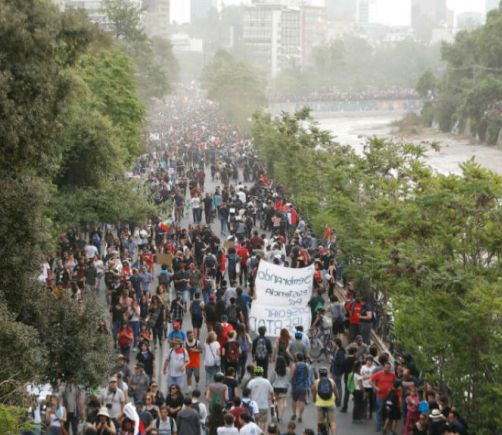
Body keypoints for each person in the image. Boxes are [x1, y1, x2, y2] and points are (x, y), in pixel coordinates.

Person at [312, 367, 338, 435]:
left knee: (320, 421)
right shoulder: (331, 381)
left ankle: (319, 433)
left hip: (320, 404)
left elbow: (314, 393)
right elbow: (336, 393)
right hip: (330, 403)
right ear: (327, 373)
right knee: (332, 421)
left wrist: (314, 400)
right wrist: (337, 399)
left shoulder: (316, 382)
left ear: (319, 374)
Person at [371, 361, 397, 433]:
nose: (387, 369)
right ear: (383, 367)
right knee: (379, 410)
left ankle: (386, 426)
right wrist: (375, 387)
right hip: (380, 395)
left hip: (389, 397)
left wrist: (393, 389)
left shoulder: (392, 375)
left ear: (390, 368)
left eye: (388, 368)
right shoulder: (379, 374)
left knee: (387, 411)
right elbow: (371, 380)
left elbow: (396, 383)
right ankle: (378, 426)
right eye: (386, 367)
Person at [247, 366, 274, 431]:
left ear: (255, 373)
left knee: (254, 422)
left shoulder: (251, 382)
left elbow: (247, 393)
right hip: (264, 405)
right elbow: (272, 392)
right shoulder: (267, 381)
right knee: (263, 422)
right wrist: (271, 399)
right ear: (262, 373)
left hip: (253, 406)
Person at [290, 353, 310, 424]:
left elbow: (292, 375)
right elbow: (308, 375)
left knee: (294, 400)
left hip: (295, 386)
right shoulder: (306, 365)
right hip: (303, 386)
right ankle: (300, 416)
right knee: (302, 401)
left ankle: (294, 414)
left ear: (297, 358)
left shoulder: (294, 365)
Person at [270, 356, 289, 422]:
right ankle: (280, 416)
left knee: (275, 401)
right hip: (284, 387)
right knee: (282, 402)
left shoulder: (274, 370)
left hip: (276, 387)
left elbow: (272, 379)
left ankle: (275, 414)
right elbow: (288, 378)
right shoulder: (287, 370)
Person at [330, 338, 345, 408]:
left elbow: (341, 363)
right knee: (335, 386)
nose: (332, 344)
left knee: (338, 386)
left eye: (333, 342)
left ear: (336, 343)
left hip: (337, 372)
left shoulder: (340, 352)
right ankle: (335, 399)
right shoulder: (336, 350)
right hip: (334, 371)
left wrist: (333, 360)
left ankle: (338, 400)